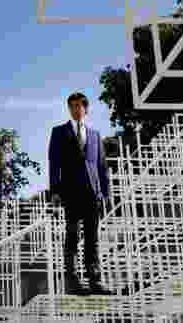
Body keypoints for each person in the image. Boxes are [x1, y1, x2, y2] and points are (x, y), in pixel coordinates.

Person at [47, 92, 114, 296]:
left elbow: (102, 166)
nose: (76, 109)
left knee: (92, 239)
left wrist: (105, 192)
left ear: (86, 109)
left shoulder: (95, 135)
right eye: (72, 106)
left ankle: (95, 281)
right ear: (69, 109)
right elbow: (54, 163)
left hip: (92, 194)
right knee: (72, 236)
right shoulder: (59, 132)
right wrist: (55, 191)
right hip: (70, 192)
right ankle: (73, 281)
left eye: (79, 106)